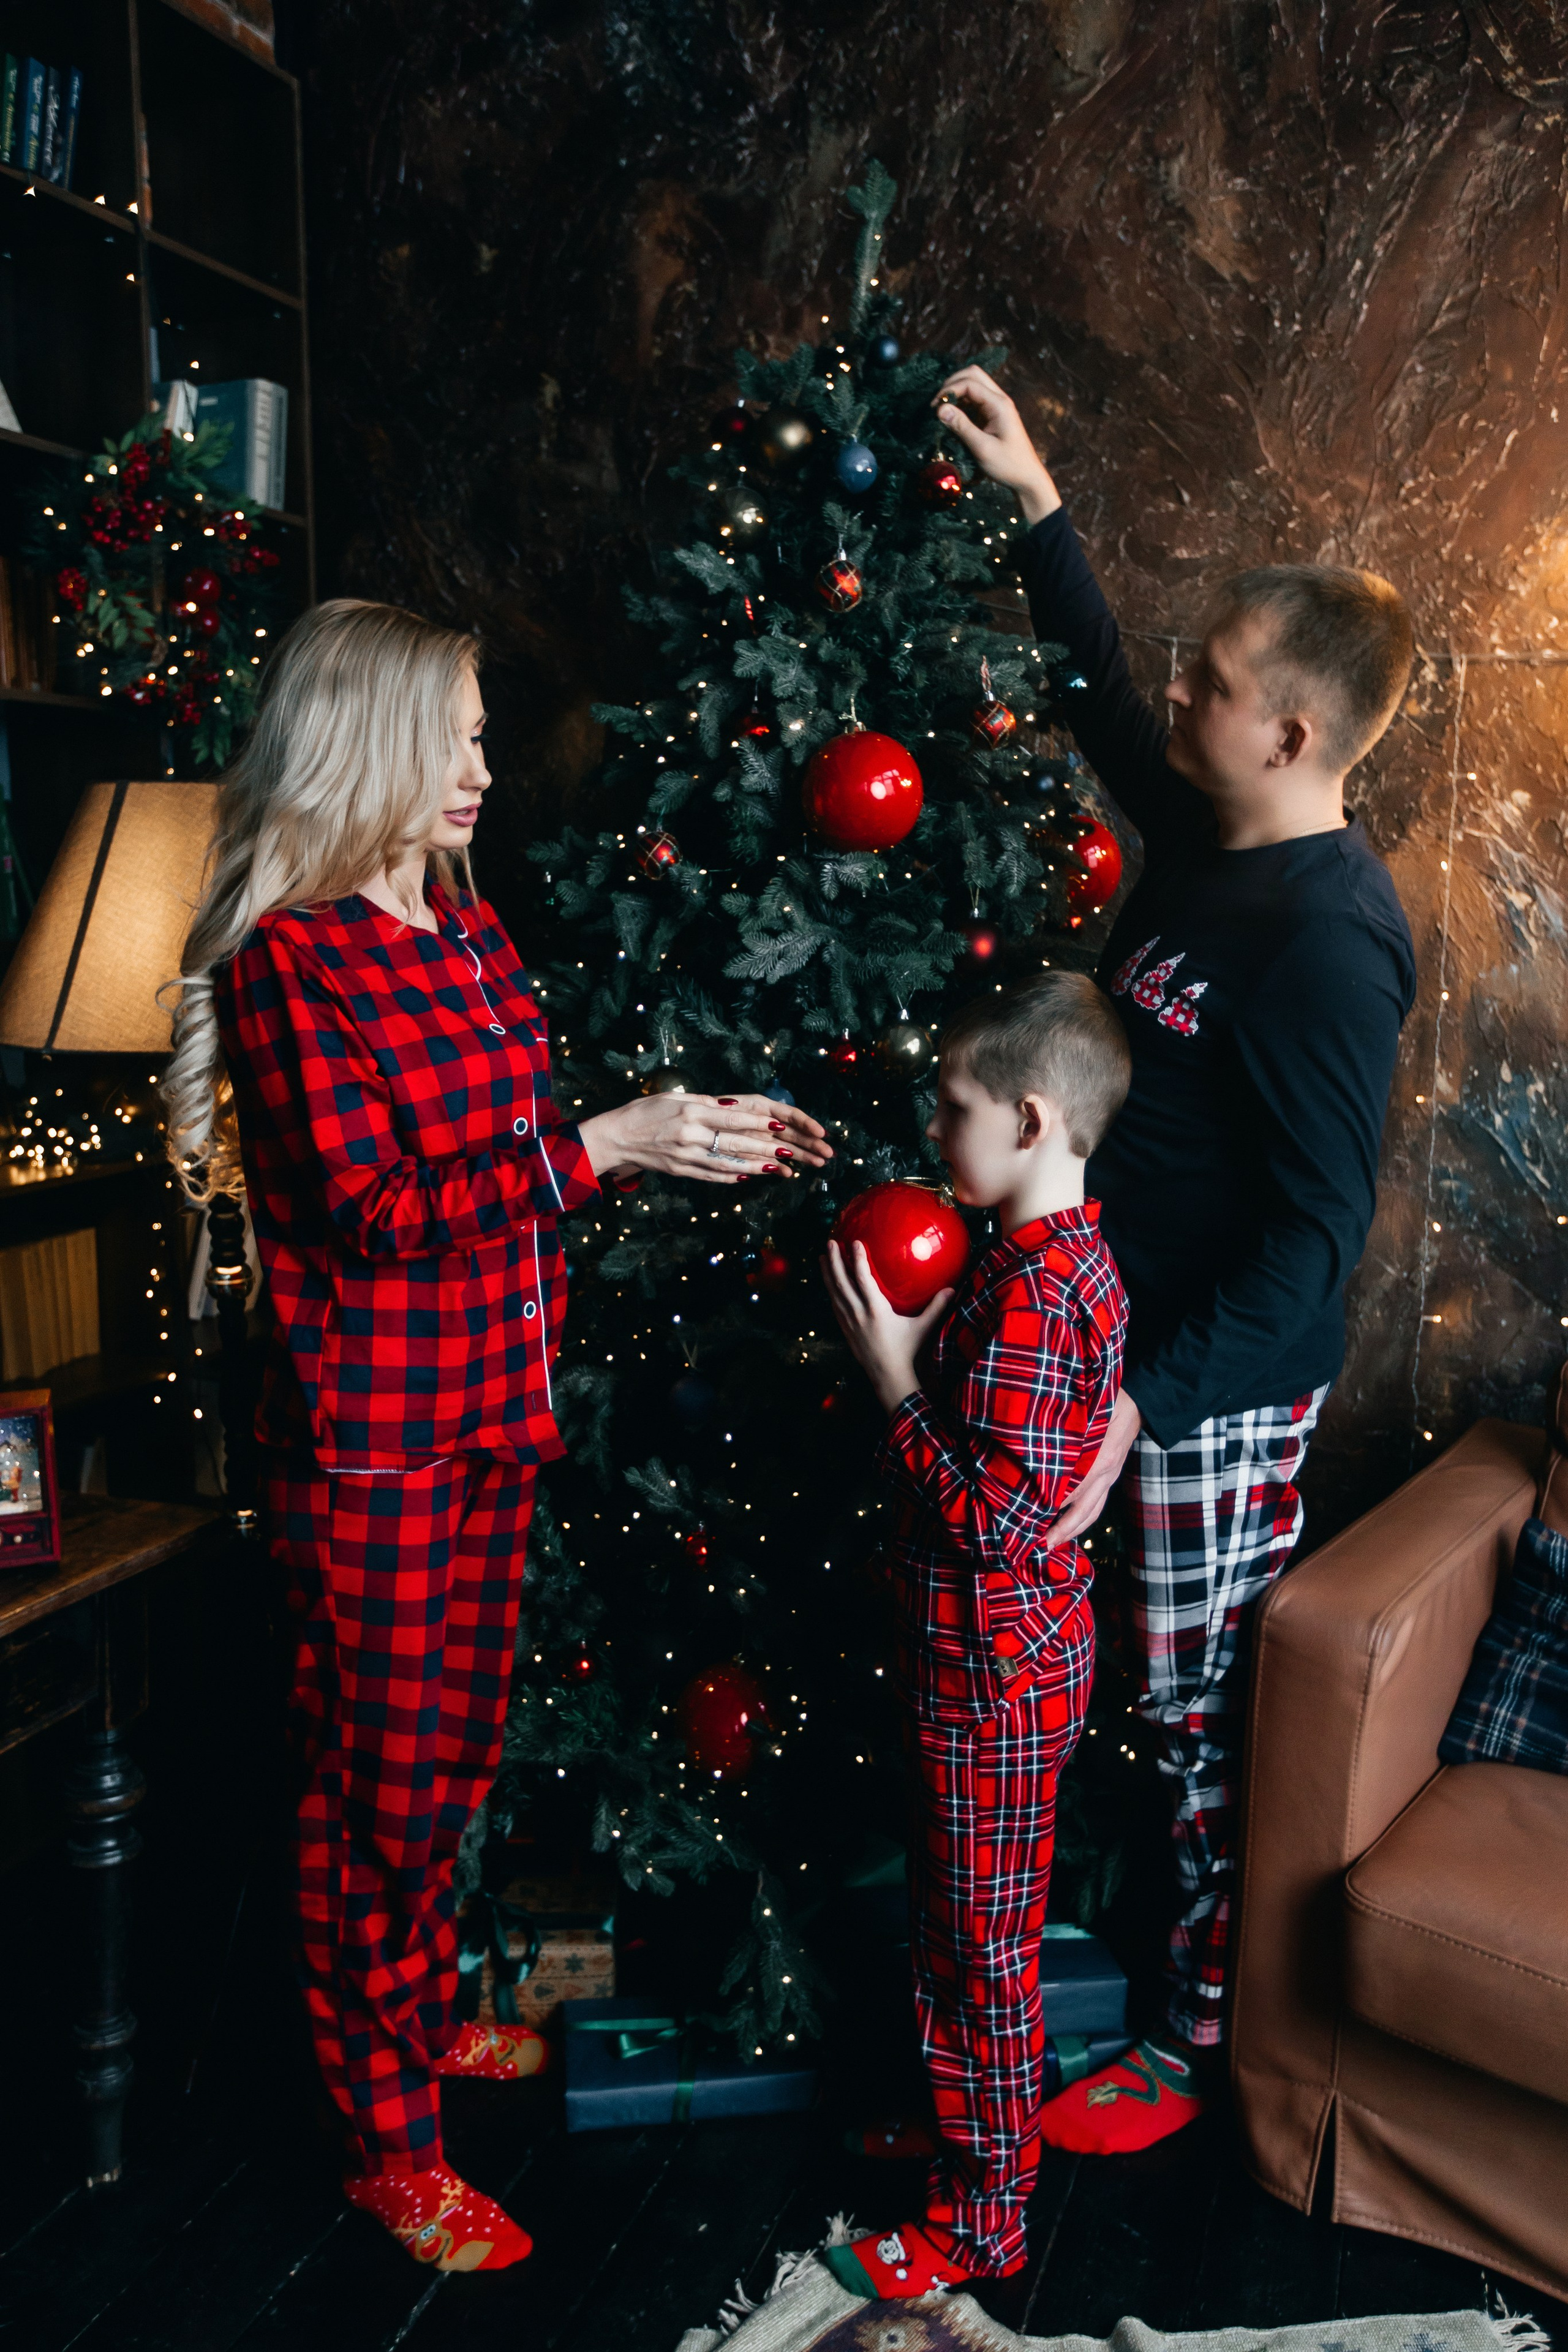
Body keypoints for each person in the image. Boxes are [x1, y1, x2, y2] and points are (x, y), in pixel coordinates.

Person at [160, 599, 832, 2272]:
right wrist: (614, 1139)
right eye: (456, 735)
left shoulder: (463, 926)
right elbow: (381, 1212)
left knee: (451, 1774)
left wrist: (690, 1139)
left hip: (490, 1423)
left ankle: (414, 2015)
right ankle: (388, 2143)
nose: (481, 767)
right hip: (372, 1456)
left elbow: (529, 1153)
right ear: (371, 738)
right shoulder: (288, 961)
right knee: (373, 1796)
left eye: (477, 735)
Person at [931, 365, 1417, 2150]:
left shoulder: (1332, 944)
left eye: (1222, 686)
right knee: (1117, 1701)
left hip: (1204, 1395)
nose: (1190, 698)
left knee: (1197, 1730)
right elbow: (1112, 707)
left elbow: (1318, 1242)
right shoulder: (1216, 834)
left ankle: (1189, 2041)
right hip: (1111, 1358)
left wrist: (1144, 1404)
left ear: (1291, 736)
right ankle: (1121, 1981)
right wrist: (1039, 502)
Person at [821, 973, 1130, 2296]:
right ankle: (967, 2144)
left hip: (990, 1678)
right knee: (961, 1937)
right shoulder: (1054, 1259)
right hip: (1001, 1664)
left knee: (975, 1960)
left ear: (1029, 1117)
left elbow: (994, 1524)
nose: (934, 1134)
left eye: (953, 1110)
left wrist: (892, 1378)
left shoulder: (1021, 1299)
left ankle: (982, 2216)